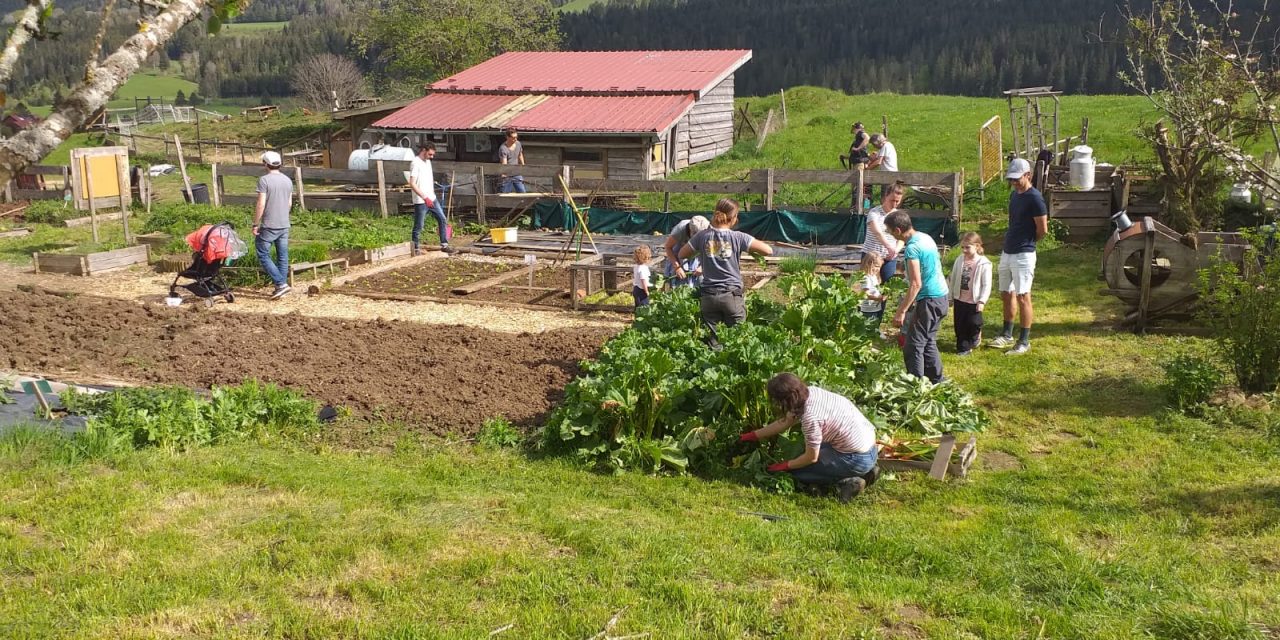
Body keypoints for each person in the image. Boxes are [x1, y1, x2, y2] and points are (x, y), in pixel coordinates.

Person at [738, 372, 880, 503]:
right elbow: (785, 422)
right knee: (805, 457)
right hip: (869, 447)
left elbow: (811, 457)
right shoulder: (810, 392)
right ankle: (868, 471)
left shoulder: (810, 418)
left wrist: (785, 466)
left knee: (799, 473)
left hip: (856, 458)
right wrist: (752, 436)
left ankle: (850, 482)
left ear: (785, 400)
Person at [679, 198, 773, 329]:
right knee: (736, 340)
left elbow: (682, 254)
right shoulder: (739, 237)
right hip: (731, 295)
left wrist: (701, 251)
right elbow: (768, 250)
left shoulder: (702, 236)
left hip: (709, 296)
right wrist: (748, 247)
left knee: (713, 342)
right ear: (734, 218)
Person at [990, 158, 1048, 355]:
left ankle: (1024, 340)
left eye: (1017, 179)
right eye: (1011, 179)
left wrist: (1028, 243)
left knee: (1023, 296)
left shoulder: (1035, 198)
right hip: (1008, 251)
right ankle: (1007, 334)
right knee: (1006, 293)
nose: (1014, 182)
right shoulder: (1015, 195)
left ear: (1028, 175)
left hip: (1024, 254)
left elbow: (1042, 230)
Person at [886, 211, 949, 383]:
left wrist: (901, 311)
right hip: (941, 297)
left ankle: (915, 385)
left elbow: (916, 284)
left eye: (890, 231)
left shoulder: (912, 249)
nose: (890, 234)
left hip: (929, 299)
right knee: (928, 340)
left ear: (898, 230)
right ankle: (937, 380)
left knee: (913, 345)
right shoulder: (925, 237)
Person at [251, 150, 294, 300]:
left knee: (263, 254)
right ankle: (280, 286)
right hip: (284, 224)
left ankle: (281, 284)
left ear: (265, 164)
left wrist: (255, 223)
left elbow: (261, 203)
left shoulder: (264, 180)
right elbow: (289, 203)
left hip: (269, 224)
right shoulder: (288, 180)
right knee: (283, 256)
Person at [948, 232, 993, 356]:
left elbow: (986, 284)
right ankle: (963, 347)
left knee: (974, 323)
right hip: (960, 298)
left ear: (977, 246)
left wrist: (982, 300)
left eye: (967, 247)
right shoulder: (959, 260)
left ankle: (975, 336)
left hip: (974, 300)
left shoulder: (984, 263)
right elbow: (953, 278)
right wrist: (950, 296)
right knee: (960, 324)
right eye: (962, 247)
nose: (964, 250)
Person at [861, 181, 906, 283]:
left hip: (889, 258)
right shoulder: (874, 212)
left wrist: (895, 250)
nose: (894, 204)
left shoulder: (899, 216)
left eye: (897, 201)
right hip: (871, 257)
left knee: (886, 287)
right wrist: (889, 247)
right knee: (868, 285)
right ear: (886, 196)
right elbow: (878, 233)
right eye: (892, 200)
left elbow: (902, 238)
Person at [409, 143, 449, 254]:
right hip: (421, 201)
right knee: (419, 225)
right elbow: (412, 183)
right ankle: (416, 248)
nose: (432, 157)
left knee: (442, 219)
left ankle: (444, 244)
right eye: (430, 154)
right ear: (424, 150)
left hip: (432, 198)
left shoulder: (428, 162)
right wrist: (424, 197)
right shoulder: (415, 163)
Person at [662, 215, 710, 288]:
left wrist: (702, 267)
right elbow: (668, 247)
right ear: (691, 231)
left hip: (697, 256)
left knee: (698, 284)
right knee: (676, 284)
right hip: (678, 253)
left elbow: (710, 252)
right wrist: (677, 267)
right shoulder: (680, 230)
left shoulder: (709, 231)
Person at [855, 252, 886, 324]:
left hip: (874, 307)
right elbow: (865, 294)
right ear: (868, 264)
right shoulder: (866, 278)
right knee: (868, 326)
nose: (877, 269)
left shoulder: (874, 276)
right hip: (868, 309)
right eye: (875, 266)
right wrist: (878, 298)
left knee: (873, 325)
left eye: (879, 267)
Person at [498, 128, 526, 194]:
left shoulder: (518, 144)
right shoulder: (503, 148)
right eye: (513, 138)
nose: (515, 139)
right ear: (507, 137)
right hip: (507, 174)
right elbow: (504, 162)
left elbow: (520, 154)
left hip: (516, 172)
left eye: (516, 137)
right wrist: (504, 173)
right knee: (505, 193)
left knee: (522, 192)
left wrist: (523, 165)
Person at [632, 244, 652, 309]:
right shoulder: (643, 268)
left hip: (636, 289)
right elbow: (643, 281)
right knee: (644, 307)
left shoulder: (636, 267)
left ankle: (637, 318)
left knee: (638, 306)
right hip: (642, 290)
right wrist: (647, 292)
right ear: (646, 257)